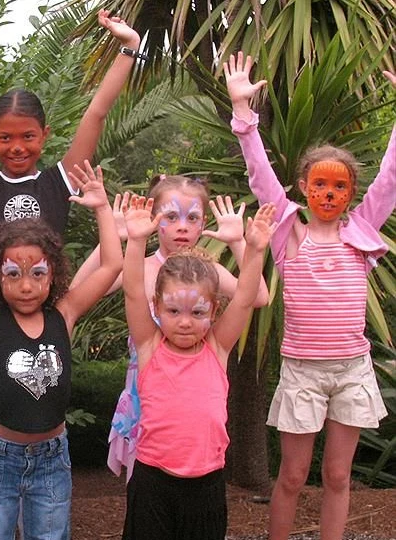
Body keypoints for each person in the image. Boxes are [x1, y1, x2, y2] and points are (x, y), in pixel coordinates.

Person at [0, 1, 141, 514]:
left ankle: (38, 518)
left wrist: (128, 50)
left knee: (42, 431)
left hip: (48, 325)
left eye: (28, 136)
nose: (16, 146)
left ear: (43, 135)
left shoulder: (59, 179)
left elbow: (97, 113)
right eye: (5, 137)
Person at [224, 52, 394, 540]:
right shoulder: (287, 233)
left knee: (339, 476)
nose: (328, 193)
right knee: (294, 477)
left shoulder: (362, 231)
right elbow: (260, 178)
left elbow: (391, 178)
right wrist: (244, 117)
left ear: (350, 193)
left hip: (351, 370)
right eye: (319, 184)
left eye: (339, 187)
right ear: (303, 186)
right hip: (302, 370)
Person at [0, 157, 122, 539]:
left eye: (38, 274)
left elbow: (112, 264)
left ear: (54, 274)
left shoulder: (64, 314)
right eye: (13, 274)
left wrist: (102, 207)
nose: (26, 286)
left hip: (53, 459)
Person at [73, 177, 271, 480]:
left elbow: (257, 296)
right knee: (144, 481)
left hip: (193, 393)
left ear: (204, 222)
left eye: (192, 217)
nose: (182, 226)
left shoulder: (210, 272)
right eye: (171, 216)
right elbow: (78, 290)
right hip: (146, 393)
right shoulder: (140, 267)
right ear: (154, 218)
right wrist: (114, 237)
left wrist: (238, 241)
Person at [121, 195, 274, 539]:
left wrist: (255, 250)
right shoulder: (149, 345)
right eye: (174, 311)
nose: (185, 323)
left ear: (214, 311)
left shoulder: (217, 348)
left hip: (206, 486)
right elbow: (132, 293)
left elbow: (247, 297)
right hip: (152, 482)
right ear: (157, 306)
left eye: (197, 313)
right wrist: (136, 240)